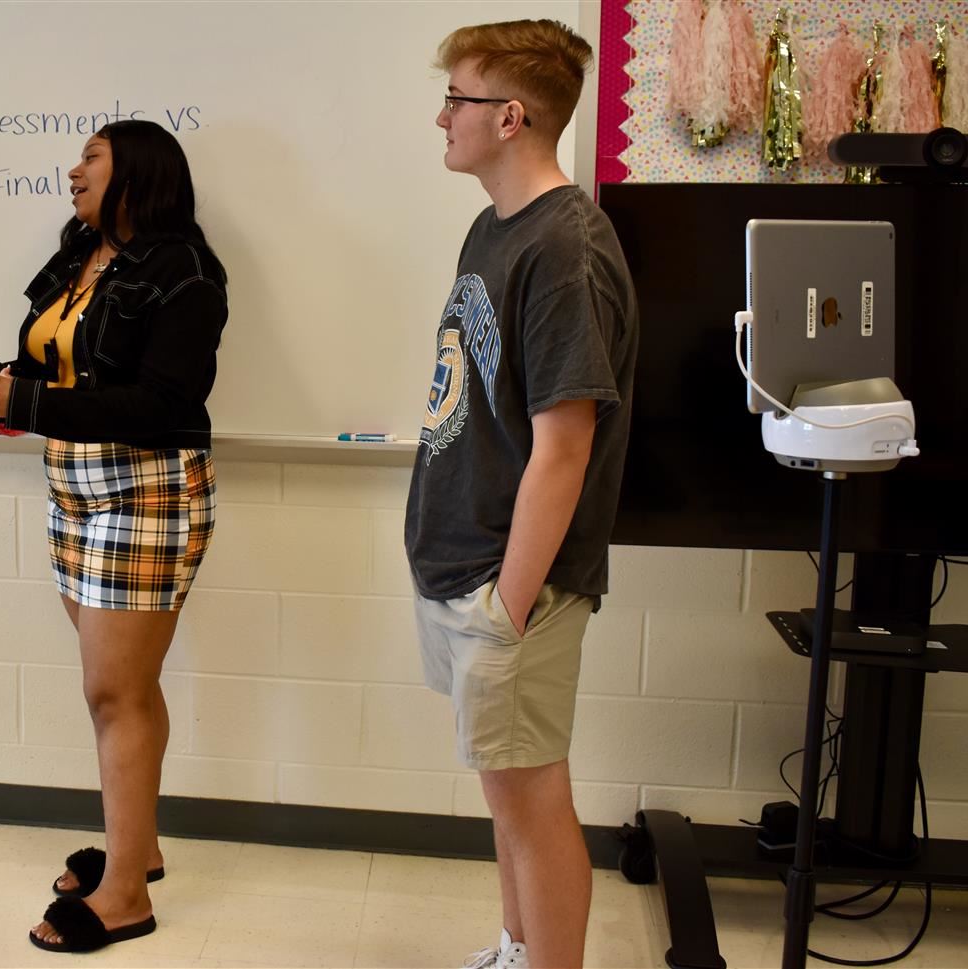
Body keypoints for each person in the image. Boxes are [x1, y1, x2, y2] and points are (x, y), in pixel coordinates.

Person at [0, 119, 226, 955]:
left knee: (114, 691)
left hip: (147, 487)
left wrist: (21, 403)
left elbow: (166, 405)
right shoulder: (80, 256)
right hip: (73, 484)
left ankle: (126, 894)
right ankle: (138, 846)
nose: (73, 172)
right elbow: (46, 379)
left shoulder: (186, 270)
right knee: (123, 686)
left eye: (91, 159)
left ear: (138, 172)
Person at [403, 20, 639, 969]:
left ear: (510, 116)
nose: (440, 118)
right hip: (464, 562)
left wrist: (510, 603)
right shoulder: (495, 224)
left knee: (534, 802)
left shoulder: (564, 247)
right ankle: (515, 949)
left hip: (515, 585)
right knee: (508, 789)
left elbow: (565, 445)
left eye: (455, 100)